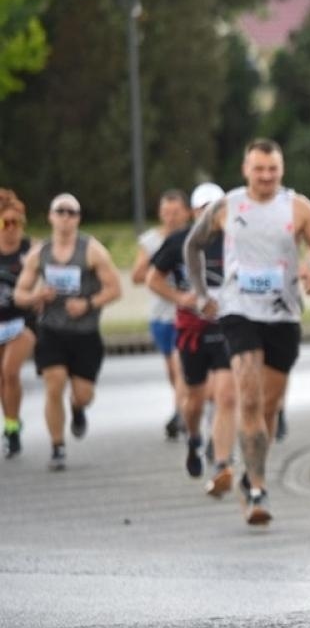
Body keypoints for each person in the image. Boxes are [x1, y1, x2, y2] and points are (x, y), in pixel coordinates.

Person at [184, 139, 310, 526]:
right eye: (259, 169)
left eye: (273, 169)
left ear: (281, 169)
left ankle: (250, 472)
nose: (266, 176)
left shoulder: (298, 207)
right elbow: (193, 246)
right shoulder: (228, 206)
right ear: (245, 170)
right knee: (249, 400)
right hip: (238, 311)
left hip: (284, 315)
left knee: (268, 407)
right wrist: (203, 294)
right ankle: (257, 488)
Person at [12, 194, 122, 472]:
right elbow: (19, 294)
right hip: (51, 330)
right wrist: (37, 294)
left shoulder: (92, 251)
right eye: (60, 212)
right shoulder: (40, 254)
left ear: (78, 218)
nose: (65, 217)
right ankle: (57, 446)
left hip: (85, 333)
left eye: (71, 212)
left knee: (84, 394)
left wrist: (88, 303)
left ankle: (77, 407)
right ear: (50, 216)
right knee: (54, 383)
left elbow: (115, 289)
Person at [147, 182, 238, 495]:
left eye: (216, 208)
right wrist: (181, 298)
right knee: (194, 399)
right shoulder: (179, 242)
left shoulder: (235, 240)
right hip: (191, 329)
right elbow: (152, 279)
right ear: (194, 212)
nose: (210, 215)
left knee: (226, 395)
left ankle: (222, 463)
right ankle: (194, 437)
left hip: (226, 327)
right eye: (203, 209)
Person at [132, 189, 192, 441]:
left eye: (176, 213)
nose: (170, 218)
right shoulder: (150, 241)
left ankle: (180, 413)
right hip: (161, 315)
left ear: (187, 213)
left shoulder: (194, 238)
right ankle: (184, 403)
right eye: (166, 213)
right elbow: (137, 277)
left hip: (186, 314)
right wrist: (161, 261)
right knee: (172, 369)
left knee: (181, 366)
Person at [0, 189, 38, 459]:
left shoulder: (31, 250)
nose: (11, 229)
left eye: (16, 223)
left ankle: (12, 431)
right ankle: (12, 422)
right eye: (4, 223)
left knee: (10, 372)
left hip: (22, 321)